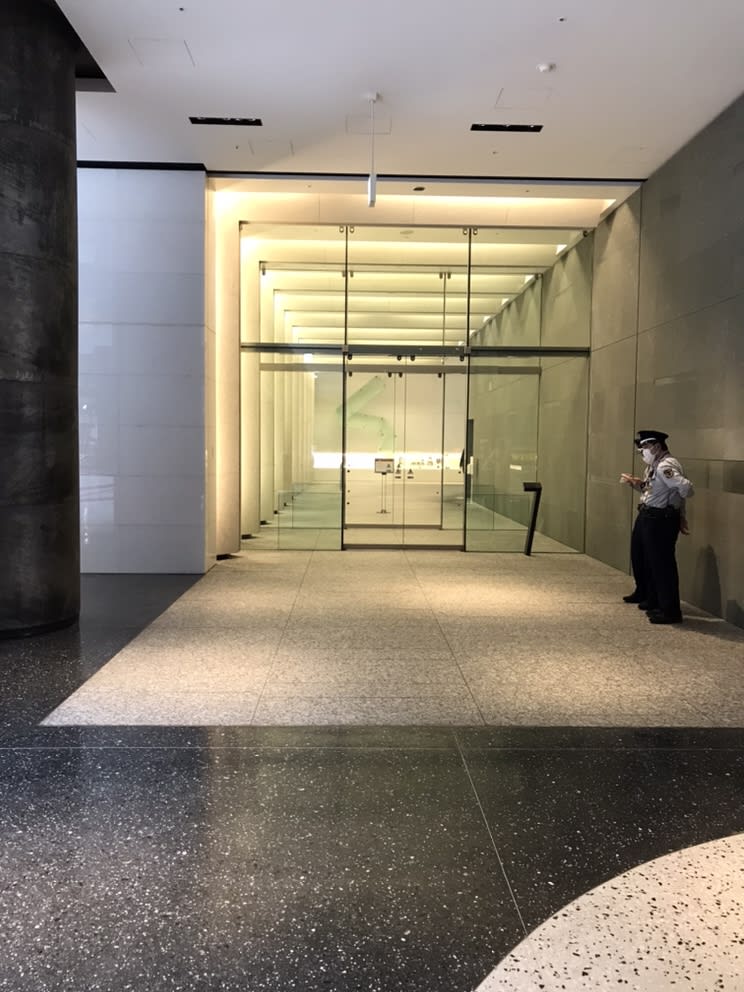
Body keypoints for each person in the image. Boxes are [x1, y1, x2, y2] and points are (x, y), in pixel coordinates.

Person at [619, 430, 694, 624]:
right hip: (648, 514)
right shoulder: (654, 466)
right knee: (643, 557)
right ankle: (651, 598)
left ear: (657, 446)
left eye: (645, 447)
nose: (642, 451)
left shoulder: (665, 466)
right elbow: (652, 489)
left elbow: (685, 488)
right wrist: (636, 484)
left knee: (662, 565)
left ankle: (670, 610)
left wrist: (678, 514)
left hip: (660, 519)